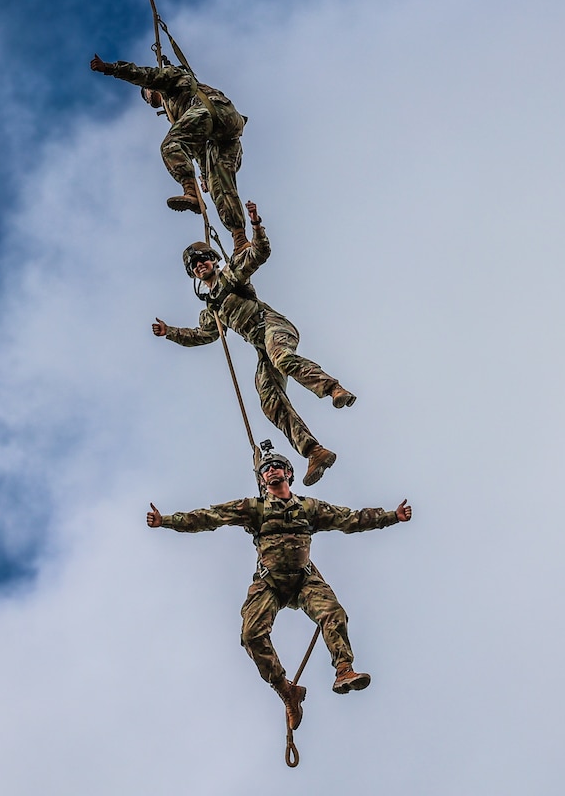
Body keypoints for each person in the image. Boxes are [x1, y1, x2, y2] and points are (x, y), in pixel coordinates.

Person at [146, 447, 413, 729]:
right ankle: (286, 690)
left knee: (333, 613)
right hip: (269, 583)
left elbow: (350, 519)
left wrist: (391, 516)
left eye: (276, 466)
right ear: (262, 480)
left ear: (288, 474)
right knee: (251, 635)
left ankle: (344, 670)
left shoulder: (309, 509)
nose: (271, 470)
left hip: (303, 580)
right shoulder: (254, 509)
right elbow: (211, 516)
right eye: (266, 469)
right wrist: (166, 521)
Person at [152, 202, 355, 487]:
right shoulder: (212, 309)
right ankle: (314, 452)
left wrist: (257, 227)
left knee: (282, 358)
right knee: (269, 401)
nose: (200, 266)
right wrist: (169, 332)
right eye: (194, 266)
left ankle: (334, 389)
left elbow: (259, 254)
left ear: (213, 259)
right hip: (261, 345)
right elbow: (204, 335)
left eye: (203, 260)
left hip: (272, 327)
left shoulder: (230, 276)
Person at [90, 53, 251, 254]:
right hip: (227, 127)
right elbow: (200, 147)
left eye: (146, 96)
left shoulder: (170, 78)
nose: (148, 101)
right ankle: (240, 238)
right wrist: (205, 173)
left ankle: (189, 190)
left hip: (210, 110)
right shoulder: (178, 111)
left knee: (170, 144)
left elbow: (143, 74)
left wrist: (111, 68)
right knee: (219, 185)